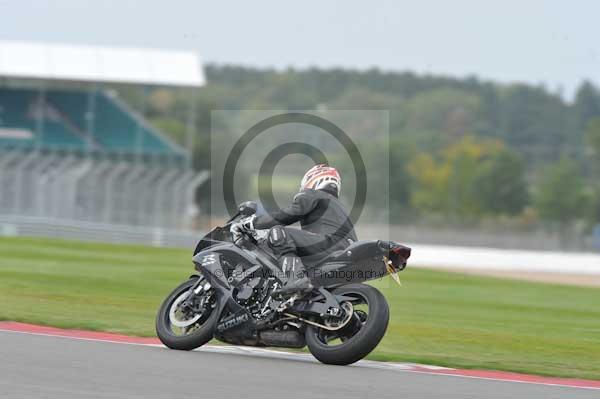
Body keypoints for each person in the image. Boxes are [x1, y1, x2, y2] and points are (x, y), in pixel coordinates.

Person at [231, 164, 357, 295]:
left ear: (313, 178)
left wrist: (252, 223)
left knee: (278, 232)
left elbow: (289, 214)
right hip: (347, 250)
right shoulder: (339, 205)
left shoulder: (313, 194)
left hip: (330, 245)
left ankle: (294, 281)